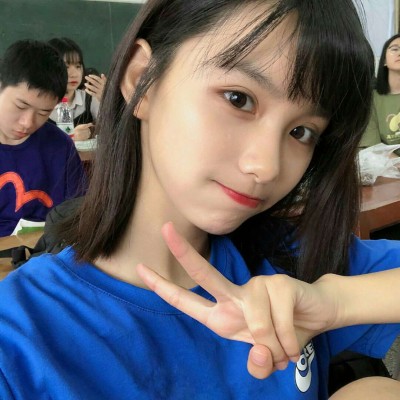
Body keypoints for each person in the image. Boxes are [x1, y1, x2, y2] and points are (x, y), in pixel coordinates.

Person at [0, 1, 400, 399]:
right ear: (143, 79)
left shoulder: (292, 262)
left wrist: (334, 303)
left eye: (301, 132)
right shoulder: (21, 335)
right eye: (238, 99)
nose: (267, 166)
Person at [0, 39, 86, 237]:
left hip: (44, 250)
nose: (28, 123)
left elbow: (78, 213)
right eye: (20, 106)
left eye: (43, 113)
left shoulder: (60, 147)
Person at [47, 37, 106, 141]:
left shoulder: (89, 99)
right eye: (66, 67)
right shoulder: (39, 104)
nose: (74, 74)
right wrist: (71, 137)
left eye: (78, 66)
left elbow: (111, 128)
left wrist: (107, 100)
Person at [360, 33, 400, 149]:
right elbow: (374, 149)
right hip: (385, 159)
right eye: (394, 49)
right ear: (384, 60)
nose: (399, 53)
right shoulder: (372, 99)